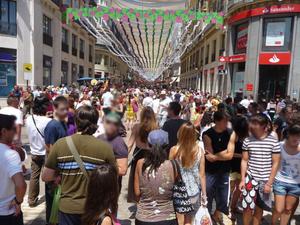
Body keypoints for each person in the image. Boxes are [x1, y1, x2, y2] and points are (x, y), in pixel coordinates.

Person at [42, 105, 116, 225]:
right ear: (95, 123)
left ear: (76, 122)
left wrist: (59, 175)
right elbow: (113, 178)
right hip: (94, 208)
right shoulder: (105, 148)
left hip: (67, 208)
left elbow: (46, 176)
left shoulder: (60, 144)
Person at [240, 114, 281, 225]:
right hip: (250, 177)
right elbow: (244, 160)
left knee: (259, 208)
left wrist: (269, 183)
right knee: (247, 207)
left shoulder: (273, 142)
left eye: (255, 123)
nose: (251, 125)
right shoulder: (247, 141)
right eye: (251, 123)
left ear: (264, 126)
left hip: (265, 180)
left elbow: (276, 163)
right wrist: (243, 179)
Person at [135, 129, 178, 225]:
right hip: (168, 218)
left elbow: (137, 193)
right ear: (166, 146)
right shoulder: (173, 165)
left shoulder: (140, 163)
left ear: (148, 145)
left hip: (143, 218)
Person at [169, 122, 207, 224]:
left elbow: (170, 171)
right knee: (189, 220)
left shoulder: (174, 150)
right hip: (194, 191)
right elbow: (202, 175)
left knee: (179, 219)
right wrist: (204, 195)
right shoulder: (199, 151)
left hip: (178, 190)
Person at [202, 111, 232, 223]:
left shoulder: (230, 133)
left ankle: (216, 214)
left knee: (223, 199)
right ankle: (207, 217)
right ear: (218, 121)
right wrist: (226, 153)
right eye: (225, 121)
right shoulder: (207, 134)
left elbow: (229, 155)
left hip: (224, 171)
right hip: (210, 171)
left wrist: (217, 156)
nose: (227, 123)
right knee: (208, 195)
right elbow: (210, 156)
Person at [44, 95, 69, 223]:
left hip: (62, 168)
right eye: (62, 109)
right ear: (55, 108)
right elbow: (50, 148)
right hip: (54, 169)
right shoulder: (52, 126)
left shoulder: (63, 123)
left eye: (67, 109)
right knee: (51, 202)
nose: (65, 112)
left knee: (58, 201)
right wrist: (56, 172)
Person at [127, 107, 158, 203]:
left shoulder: (136, 127)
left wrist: (124, 157)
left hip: (138, 154)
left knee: (136, 179)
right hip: (151, 154)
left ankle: (138, 202)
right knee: (150, 178)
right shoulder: (156, 127)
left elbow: (130, 144)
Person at [0, 114, 27, 225]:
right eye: (13, 129)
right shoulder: (10, 155)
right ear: (4, 131)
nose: (16, 132)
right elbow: (21, 185)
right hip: (7, 212)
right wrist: (18, 201)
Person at [26, 95, 52, 207]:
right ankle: (50, 202)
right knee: (49, 178)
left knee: (34, 176)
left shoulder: (28, 119)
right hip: (46, 153)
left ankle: (31, 200)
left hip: (34, 152)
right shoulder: (48, 121)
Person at [272, 124, 300, 225]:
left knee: (288, 209)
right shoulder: (279, 146)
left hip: (296, 184)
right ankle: (273, 223)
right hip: (280, 181)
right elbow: (272, 162)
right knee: (279, 209)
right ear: (288, 134)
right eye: (293, 135)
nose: (296, 138)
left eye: (298, 135)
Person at [99, 112, 128, 189]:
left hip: (111, 184)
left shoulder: (118, 143)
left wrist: (101, 171)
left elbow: (122, 170)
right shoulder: (99, 138)